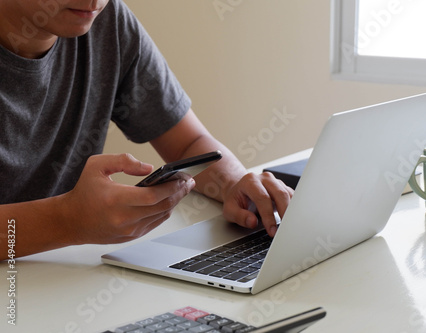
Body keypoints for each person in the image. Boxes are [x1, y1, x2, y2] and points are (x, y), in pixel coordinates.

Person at [0, 0, 293, 261]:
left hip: (50, 277)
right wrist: (68, 221)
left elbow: (188, 143)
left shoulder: (107, 21)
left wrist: (235, 184)